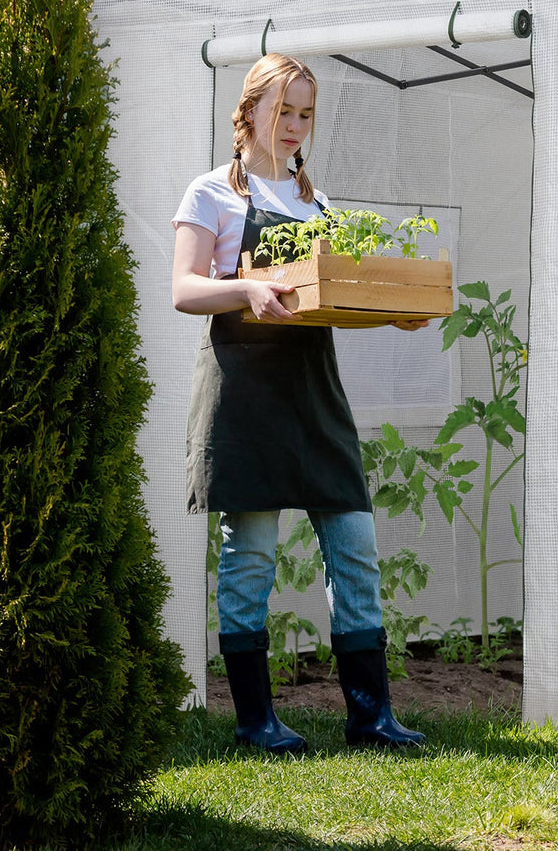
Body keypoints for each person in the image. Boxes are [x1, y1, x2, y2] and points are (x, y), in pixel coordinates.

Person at [172, 52, 427, 754]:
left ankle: (370, 717)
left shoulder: (319, 206)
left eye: (305, 113)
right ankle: (256, 722)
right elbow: (184, 288)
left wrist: (391, 314)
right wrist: (246, 288)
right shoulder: (210, 194)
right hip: (245, 391)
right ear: (249, 109)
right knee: (250, 553)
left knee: (355, 546)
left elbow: (330, 302)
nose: (293, 125)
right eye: (283, 109)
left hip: (315, 393)